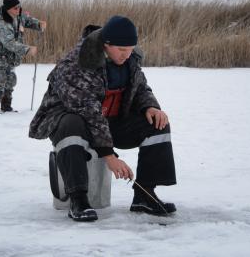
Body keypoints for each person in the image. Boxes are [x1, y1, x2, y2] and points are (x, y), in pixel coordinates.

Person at [29, 16, 177, 222]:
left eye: (131, 49)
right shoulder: (77, 62)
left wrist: (150, 106)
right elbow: (88, 111)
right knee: (72, 124)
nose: (127, 54)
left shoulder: (130, 60)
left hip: (108, 121)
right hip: (70, 120)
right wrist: (109, 156)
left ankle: (145, 194)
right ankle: (78, 199)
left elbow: (141, 88)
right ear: (106, 44)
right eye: (122, 50)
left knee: (157, 123)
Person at [0, 0, 46, 113]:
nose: (18, 9)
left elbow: (28, 20)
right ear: (8, 9)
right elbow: (9, 43)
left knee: (11, 80)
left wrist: (39, 24)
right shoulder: (2, 24)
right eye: (15, 8)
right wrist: (27, 49)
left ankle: (6, 106)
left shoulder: (18, 16)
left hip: (10, 57)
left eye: (19, 7)